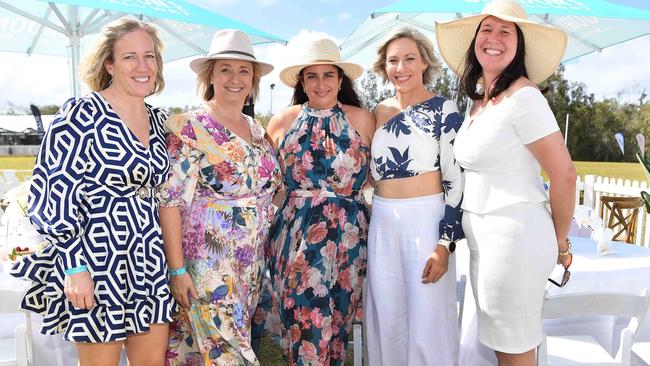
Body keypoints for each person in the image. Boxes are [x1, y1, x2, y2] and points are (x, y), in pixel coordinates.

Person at [10, 18, 173, 366]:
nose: (143, 66)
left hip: (150, 257)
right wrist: (74, 266)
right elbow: (52, 191)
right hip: (99, 260)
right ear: (109, 64)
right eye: (130, 57)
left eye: (150, 56)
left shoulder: (159, 120)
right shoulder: (82, 114)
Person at [436, 0, 576, 364]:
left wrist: (561, 243)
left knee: (514, 349)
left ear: (518, 45)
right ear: (474, 41)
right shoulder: (481, 103)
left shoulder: (524, 97)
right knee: (503, 347)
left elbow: (564, 174)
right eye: (487, 29)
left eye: (505, 31)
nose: (494, 38)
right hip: (485, 239)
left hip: (514, 239)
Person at [158, 29, 282, 365]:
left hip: (249, 264)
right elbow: (169, 202)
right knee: (230, 354)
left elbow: (271, 188)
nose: (235, 78)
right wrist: (177, 270)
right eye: (225, 69)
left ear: (254, 79)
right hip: (208, 264)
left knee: (201, 352)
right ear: (210, 76)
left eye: (244, 70)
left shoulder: (256, 128)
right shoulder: (189, 127)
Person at [254, 38, 374, 365]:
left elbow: (379, 178)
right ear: (302, 82)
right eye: (312, 76)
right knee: (302, 323)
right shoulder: (281, 121)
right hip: (294, 238)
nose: (321, 84)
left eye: (328, 76)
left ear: (340, 79)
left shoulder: (363, 119)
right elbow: (266, 184)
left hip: (349, 239)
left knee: (337, 325)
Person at [364, 27, 464, 366]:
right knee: (387, 317)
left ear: (424, 63)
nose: (401, 67)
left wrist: (444, 244)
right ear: (383, 67)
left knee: (428, 320)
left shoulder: (443, 108)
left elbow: (456, 179)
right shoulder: (378, 112)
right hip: (382, 219)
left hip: (426, 219)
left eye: (409, 58)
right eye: (393, 60)